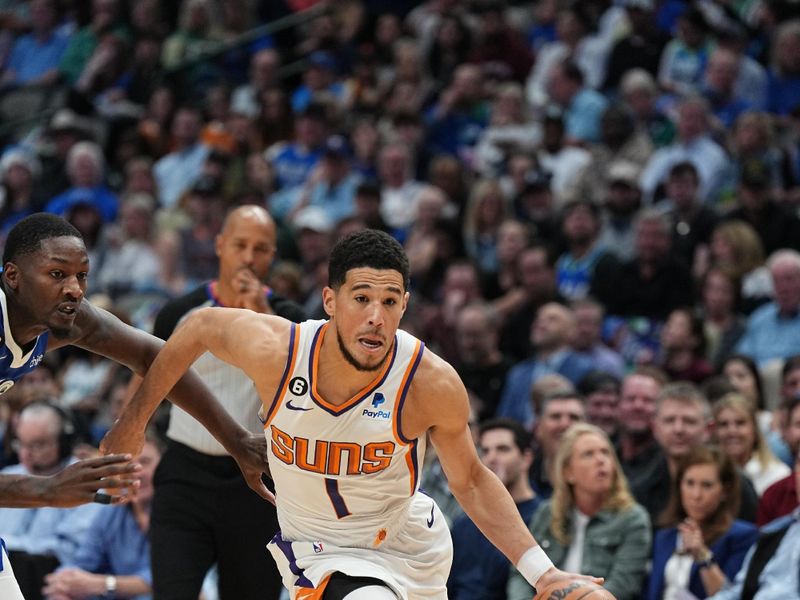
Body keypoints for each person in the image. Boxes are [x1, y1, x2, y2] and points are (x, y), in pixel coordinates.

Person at [104, 229, 601, 600]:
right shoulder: (278, 349)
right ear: (330, 301)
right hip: (323, 550)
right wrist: (133, 422)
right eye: (361, 299)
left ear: (405, 305)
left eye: (389, 301)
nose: (375, 317)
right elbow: (197, 329)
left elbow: (471, 480)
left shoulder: (430, 381)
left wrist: (543, 572)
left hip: (411, 544)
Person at [149, 206, 305, 600]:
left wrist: (262, 317)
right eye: (240, 245)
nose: (249, 257)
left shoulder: (292, 321)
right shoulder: (178, 313)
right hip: (185, 474)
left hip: (257, 484)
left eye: (261, 248)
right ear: (220, 246)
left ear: (273, 256)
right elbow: (151, 384)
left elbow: (300, 396)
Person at [507, 423, 651, 600]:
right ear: (568, 472)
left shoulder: (632, 519)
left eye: (606, 452)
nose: (600, 460)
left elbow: (623, 586)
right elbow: (520, 576)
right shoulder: (547, 513)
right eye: (588, 454)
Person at [41, 430, 163, 600]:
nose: (137, 472)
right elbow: (83, 561)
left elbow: (167, 577)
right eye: (128, 466)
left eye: (145, 462)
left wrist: (103, 584)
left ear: (164, 466)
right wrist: (64, 582)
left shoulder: (180, 511)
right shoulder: (113, 510)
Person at [646, 446, 758, 600]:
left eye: (706, 485)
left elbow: (730, 596)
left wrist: (702, 556)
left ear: (725, 491)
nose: (696, 495)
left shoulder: (742, 537)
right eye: (689, 483)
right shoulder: (664, 536)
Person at [448, 419, 541, 600]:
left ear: (526, 459)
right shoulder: (463, 524)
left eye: (503, 449)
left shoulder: (544, 517)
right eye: (485, 451)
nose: (491, 458)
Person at [712, 393, 790, 495]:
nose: (731, 431)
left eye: (740, 423)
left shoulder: (778, 475)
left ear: (754, 430)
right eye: (723, 424)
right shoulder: (704, 474)